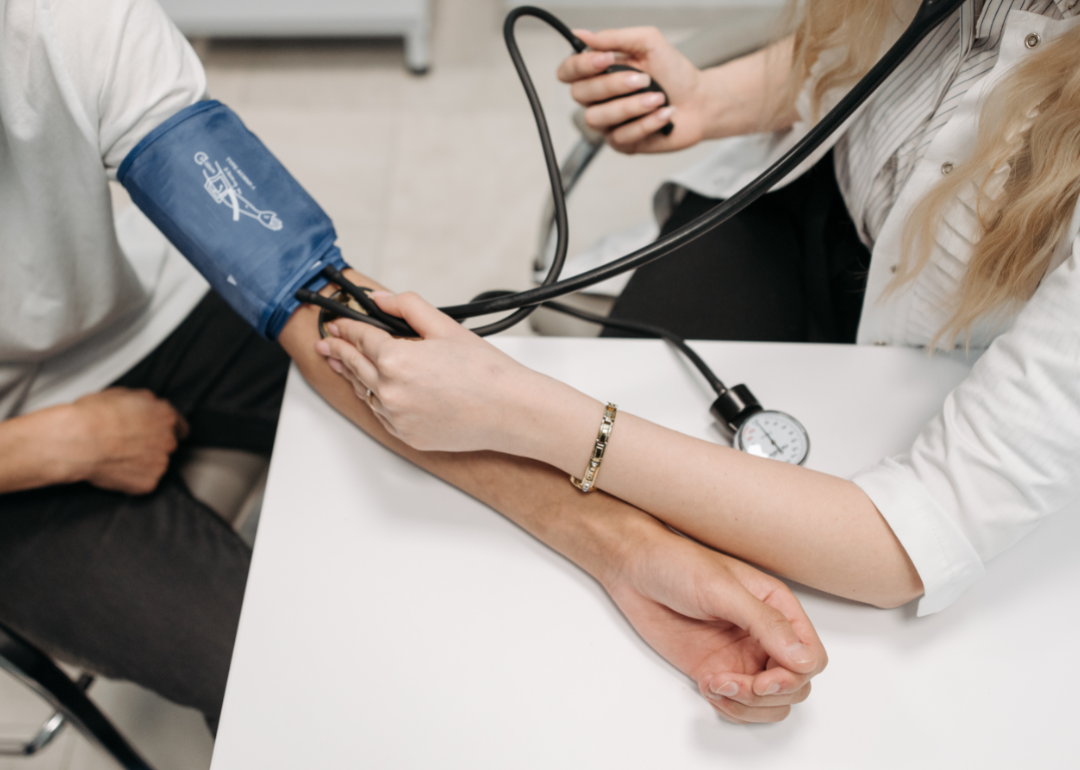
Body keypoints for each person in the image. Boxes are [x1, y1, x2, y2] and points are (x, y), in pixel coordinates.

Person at [0, 0, 827, 730]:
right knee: (286, 691)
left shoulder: (62, 20)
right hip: (20, 470)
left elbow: (309, 298)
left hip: (149, 310)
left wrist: (622, 547)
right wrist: (55, 445)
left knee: (426, 407)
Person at [312, 0, 1080, 716]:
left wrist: (515, 406)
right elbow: (890, 58)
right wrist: (710, 101)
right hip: (798, 212)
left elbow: (914, 539)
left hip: (928, 355)